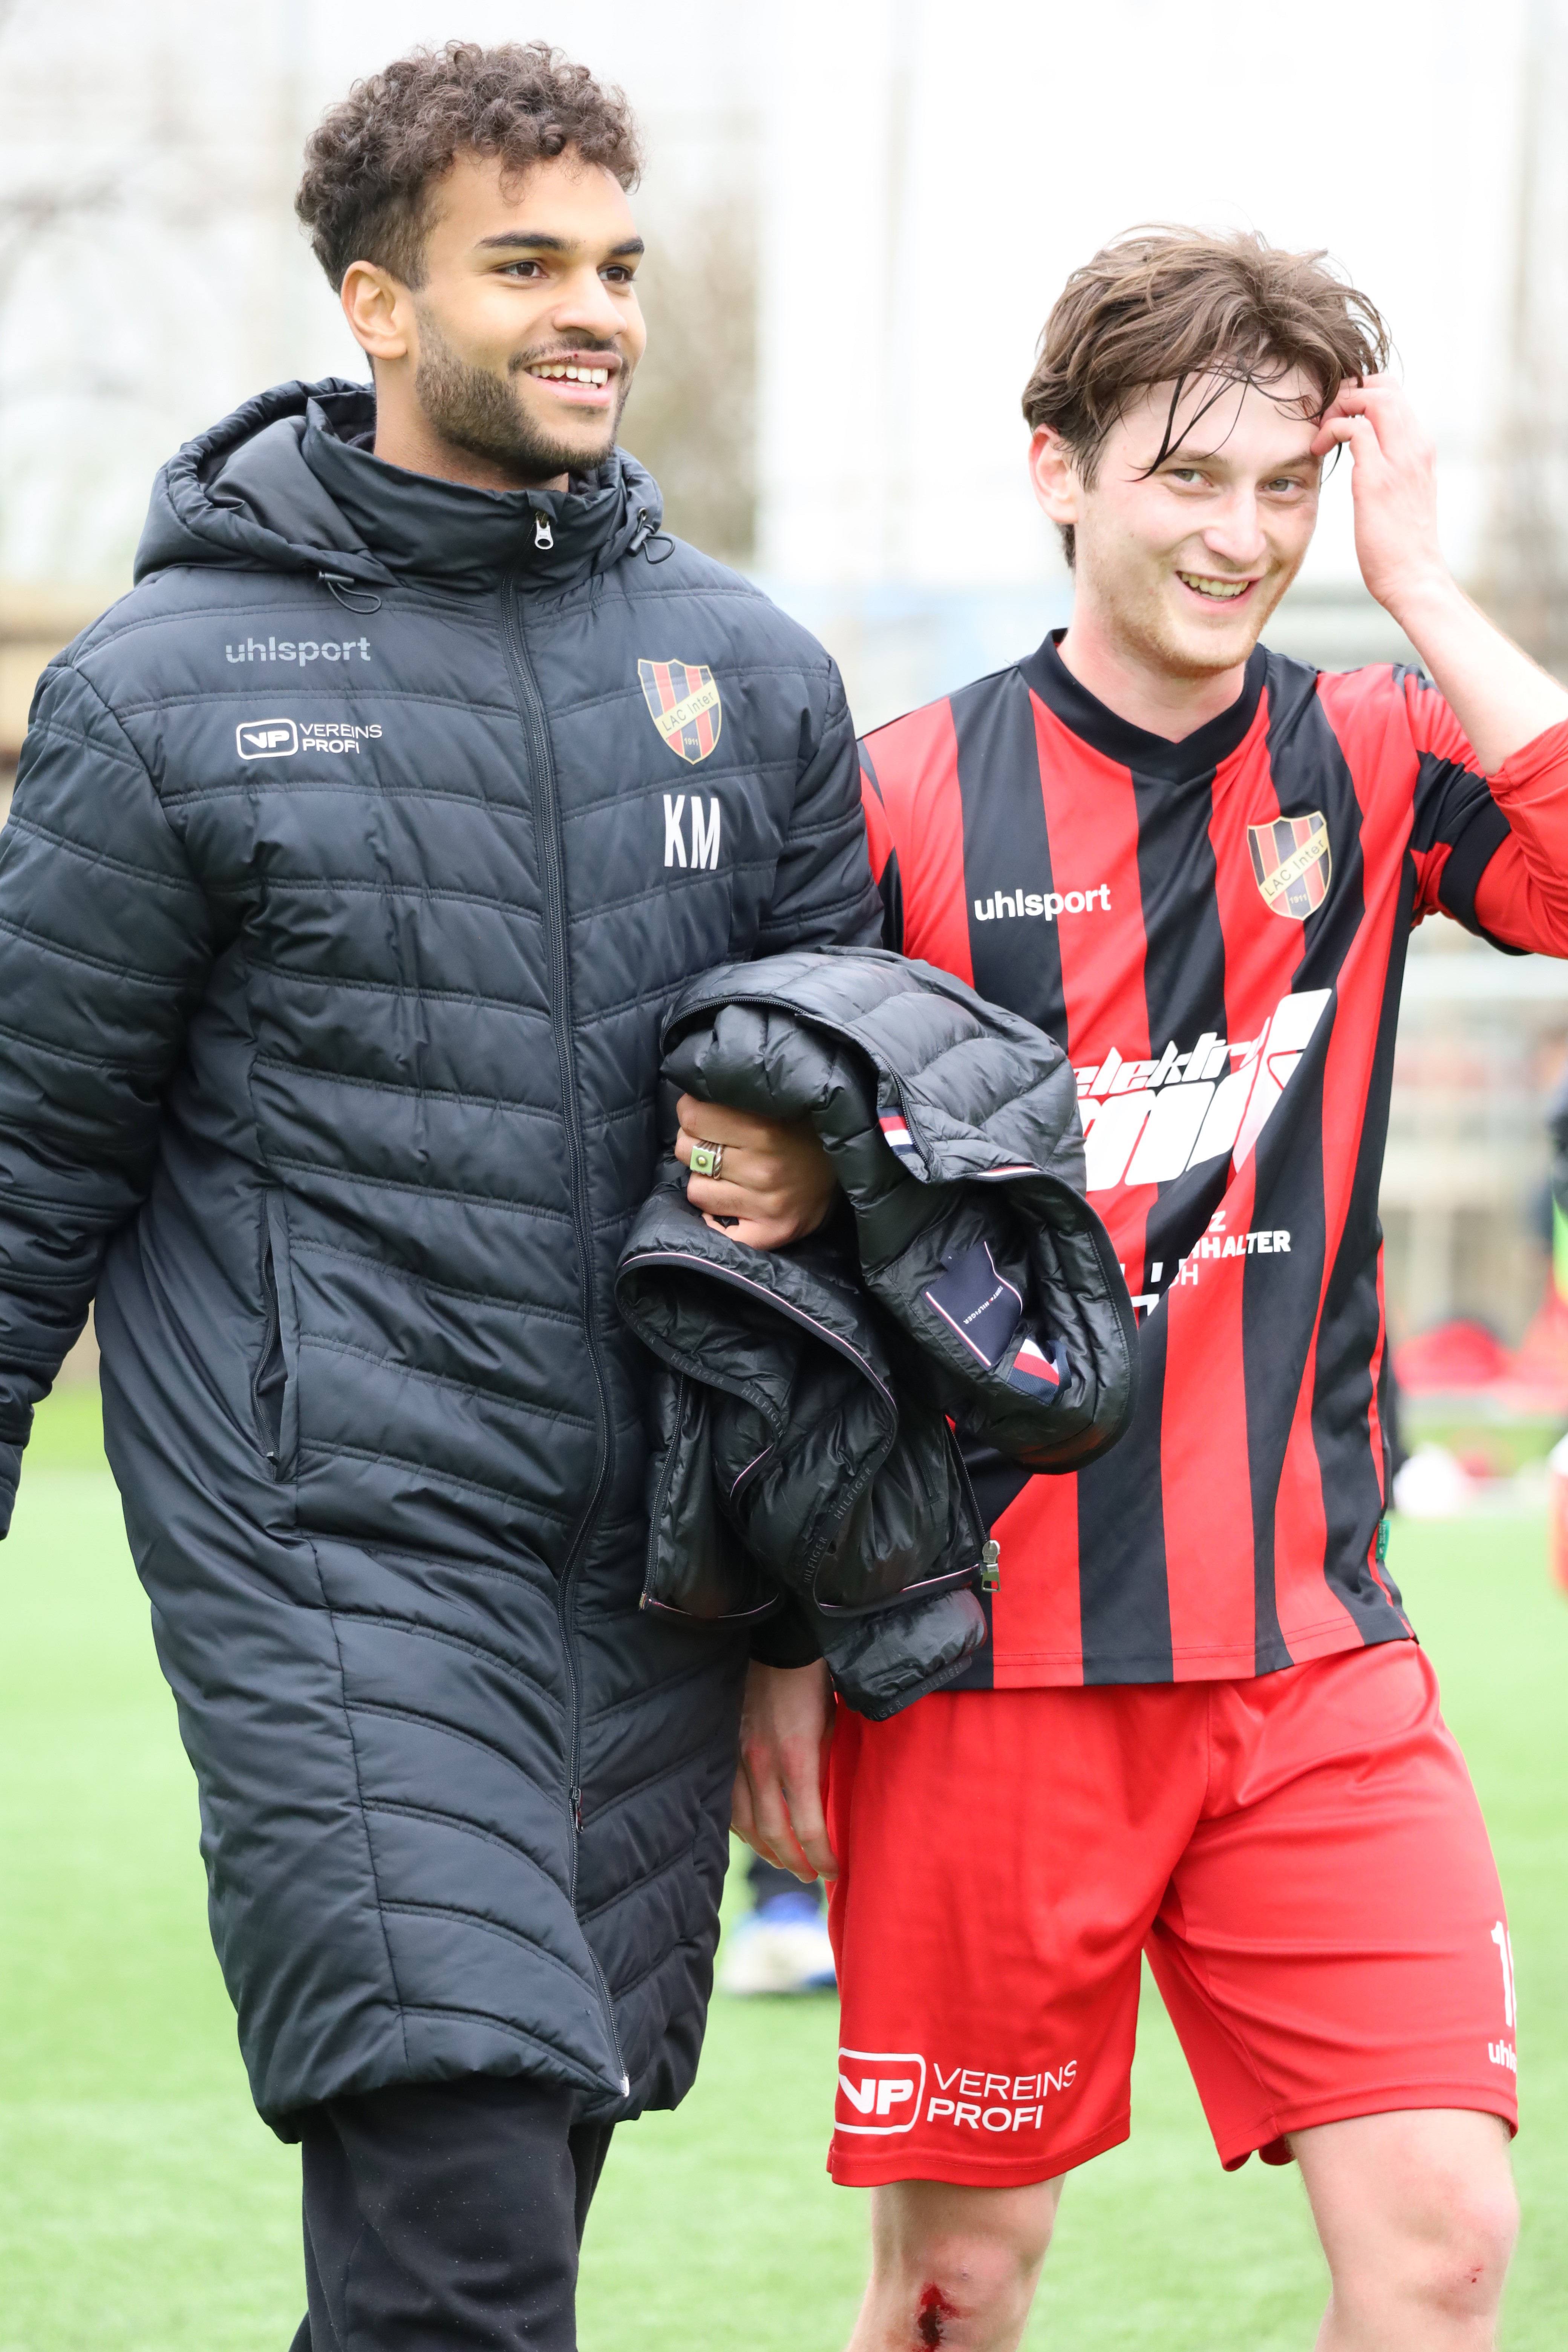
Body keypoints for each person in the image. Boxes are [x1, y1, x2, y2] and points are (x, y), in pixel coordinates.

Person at [0, 40, 876, 2351]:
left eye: (617, 266)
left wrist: (798, 1626)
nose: (594, 312)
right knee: (469, 2213)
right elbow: (25, 1162)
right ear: (379, 305)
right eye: (526, 265)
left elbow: (841, 1185)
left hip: (654, 1583)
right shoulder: (168, 692)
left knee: (482, 2236)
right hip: (339, 1560)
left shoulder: (751, 674)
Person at [732, 228, 1568, 2351]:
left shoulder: (1376, 750)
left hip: (1315, 1665)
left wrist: (1423, 579)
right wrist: (776, 1648)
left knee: (1446, 2251)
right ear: (1060, 470)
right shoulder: (903, 797)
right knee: (958, 2288)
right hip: (988, 1681)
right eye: (1191, 475)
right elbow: (770, 1265)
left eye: (1287, 486)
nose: (1244, 536)